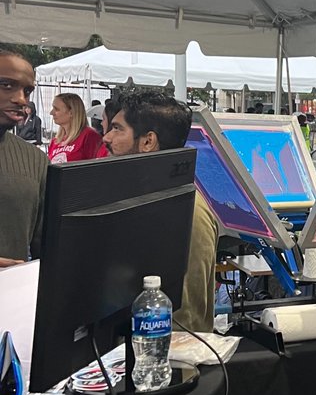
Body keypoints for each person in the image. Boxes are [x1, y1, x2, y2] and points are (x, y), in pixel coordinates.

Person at [103, 89, 218, 333]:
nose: (106, 138)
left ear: (147, 141)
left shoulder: (186, 212)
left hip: (163, 358)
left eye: (117, 129)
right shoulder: (144, 199)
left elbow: (185, 316)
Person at [0, 49, 47, 265]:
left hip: (13, 295)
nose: (21, 100)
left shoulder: (35, 161)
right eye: (6, 85)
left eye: (27, 91)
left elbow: (45, 246)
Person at [48, 93, 106, 164]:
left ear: (71, 112)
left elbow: (98, 166)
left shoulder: (89, 136)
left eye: (56, 109)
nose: (51, 113)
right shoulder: (55, 141)